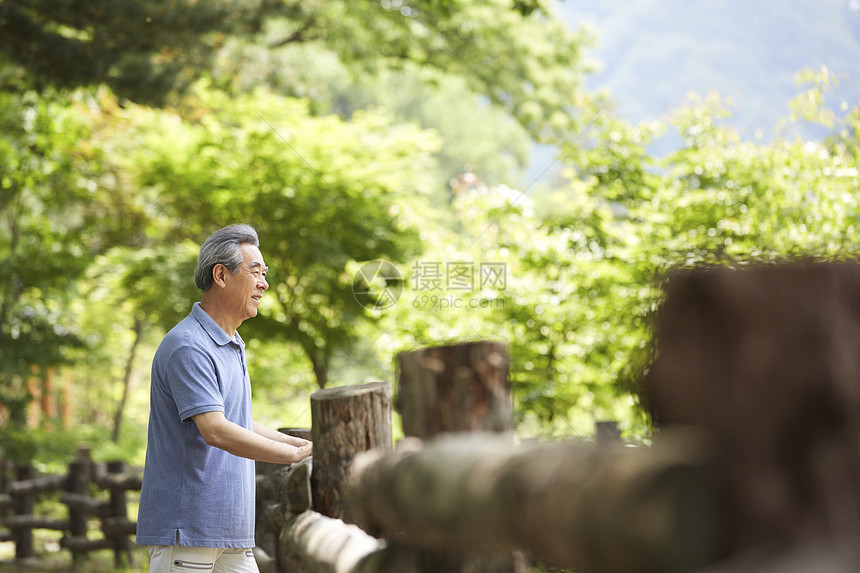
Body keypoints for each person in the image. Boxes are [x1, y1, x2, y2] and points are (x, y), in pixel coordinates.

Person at [136, 224, 312, 573]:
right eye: (256, 272)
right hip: (187, 532)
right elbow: (215, 430)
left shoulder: (230, 343)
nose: (264, 283)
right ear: (221, 275)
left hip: (231, 534)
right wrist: (293, 456)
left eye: (265, 274)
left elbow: (238, 421)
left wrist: (302, 445)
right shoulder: (189, 345)